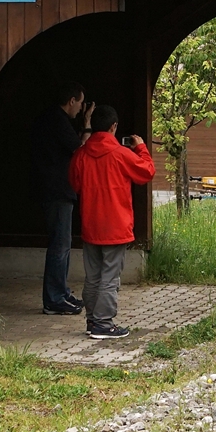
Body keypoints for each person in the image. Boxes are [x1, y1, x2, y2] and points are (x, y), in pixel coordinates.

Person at [69, 105, 155, 339]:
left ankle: (92, 320)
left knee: (93, 276)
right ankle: (104, 324)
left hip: (90, 225)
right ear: (114, 127)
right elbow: (146, 172)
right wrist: (141, 149)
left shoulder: (81, 155)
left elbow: (75, 184)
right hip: (116, 226)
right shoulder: (121, 154)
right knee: (110, 277)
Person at [30, 81, 94, 316]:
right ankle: (54, 299)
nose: (80, 108)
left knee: (62, 245)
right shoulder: (57, 120)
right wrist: (87, 124)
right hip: (57, 191)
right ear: (71, 101)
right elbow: (81, 151)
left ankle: (61, 293)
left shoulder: (52, 119)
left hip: (53, 189)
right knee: (60, 246)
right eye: (80, 103)